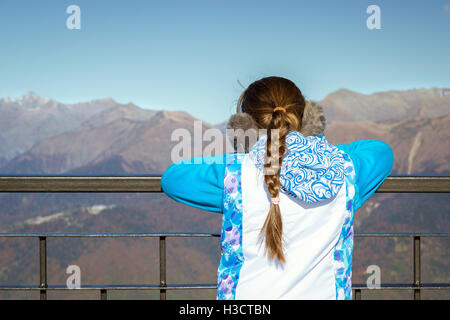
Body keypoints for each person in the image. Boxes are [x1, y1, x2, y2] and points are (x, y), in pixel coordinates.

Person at [161, 76, 393, 300]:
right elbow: (380, 152)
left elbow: (173, 178)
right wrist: (310, 145)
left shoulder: (234, 174)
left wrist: (249, 150)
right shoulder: (345, 169)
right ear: (303, 116)